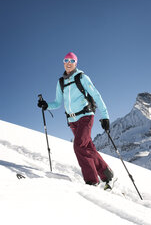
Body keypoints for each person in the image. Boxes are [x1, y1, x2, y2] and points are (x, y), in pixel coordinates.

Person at [38, 52, 114, 186]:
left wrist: (105, 116)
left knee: (79, 145)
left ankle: (91, 181)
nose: (68, 62)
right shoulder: (61, 82)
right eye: (65, 60)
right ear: (63, 62)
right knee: (87, 147)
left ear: (75, 63)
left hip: (85, 116)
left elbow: (96, 95)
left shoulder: (82, 77)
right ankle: (106, 173)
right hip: (72, 121)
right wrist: (46, 105)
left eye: (71, 61)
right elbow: (57, 102)